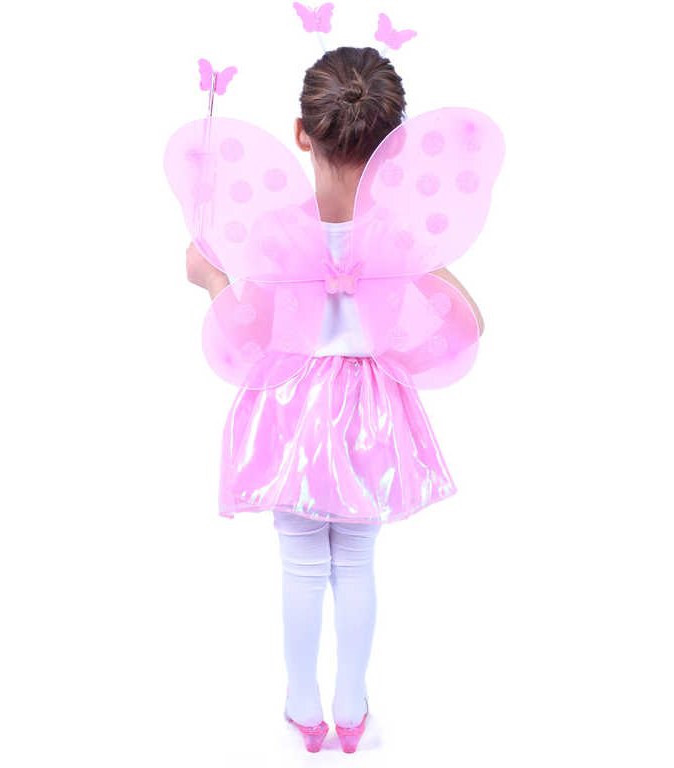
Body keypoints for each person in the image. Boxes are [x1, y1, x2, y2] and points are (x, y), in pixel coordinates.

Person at [184, 46, 484, 753]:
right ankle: (352, 711)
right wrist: (422, 265)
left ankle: (302, 708)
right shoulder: (398, 236)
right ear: (394, 145)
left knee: (299, 561)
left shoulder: (273, 231)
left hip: (290, 410)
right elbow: (468, 322)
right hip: (369, 412)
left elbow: (246, 335)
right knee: (355, 560)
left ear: (301, 133)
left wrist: (211, 280)